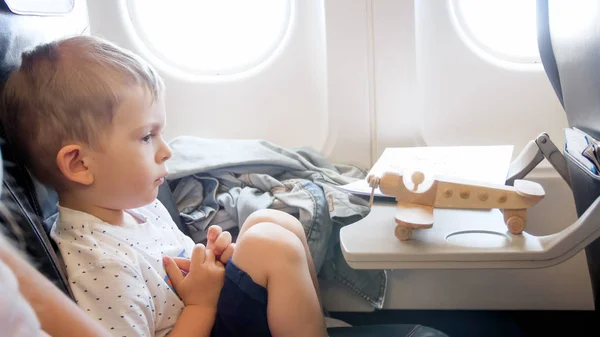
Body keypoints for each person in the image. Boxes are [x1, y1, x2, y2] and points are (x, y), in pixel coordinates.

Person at [0, 35, 327, 337]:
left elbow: (177, 270)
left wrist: (213, 261)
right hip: (201, 320)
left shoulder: (138, 205)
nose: (166, 150)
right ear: (79, 165)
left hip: (208, 311)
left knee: (271, 223)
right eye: (146, 136)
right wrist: (202, 303)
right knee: (269, 245)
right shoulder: (99, 265)